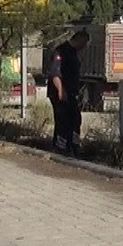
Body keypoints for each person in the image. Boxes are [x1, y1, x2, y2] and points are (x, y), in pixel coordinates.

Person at [47, 29, 90, 157]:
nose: (85, 47)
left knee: (75, 118)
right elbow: (55, 74)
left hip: (71, 93)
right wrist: (61, 91)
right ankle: (61, 147)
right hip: (60, 93)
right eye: (85, 43)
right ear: (80, 39)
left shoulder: (74, 53)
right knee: (62, 121)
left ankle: (73, 146)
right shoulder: (61, 51)